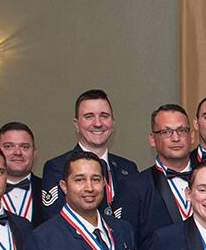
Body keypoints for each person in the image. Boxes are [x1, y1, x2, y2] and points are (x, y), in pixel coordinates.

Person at [38, 89, 141, 221]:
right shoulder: (58, 167)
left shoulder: (128, 168)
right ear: (76, 124)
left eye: (104, 116)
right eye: (89, 116)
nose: (98, 123)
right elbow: (55, 223)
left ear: (113, 122)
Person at [131, 104, 197, 243]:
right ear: (152, 139)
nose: (176, 138)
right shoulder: (134, 186)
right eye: (166, 132)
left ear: (191, 136)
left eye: (182, 130)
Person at [0, 122, 40, 223]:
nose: (17, 152)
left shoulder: (49, 189)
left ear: (34, 153)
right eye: (8, 146)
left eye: (24, 147)